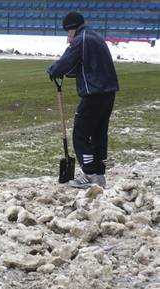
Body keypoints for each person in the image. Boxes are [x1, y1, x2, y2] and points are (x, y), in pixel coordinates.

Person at [47, 11, 119, 188]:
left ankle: (89, 174)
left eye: (67, 32)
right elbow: (81, 65)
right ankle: (99, 176)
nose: (68, 36)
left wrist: (53, 71)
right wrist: (66, 72)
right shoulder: (95, 36)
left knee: (80, 133)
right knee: (99, 133)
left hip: (94, 93)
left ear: (71, 28)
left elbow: (66, 62)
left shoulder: (81, 39)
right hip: (108, 92)